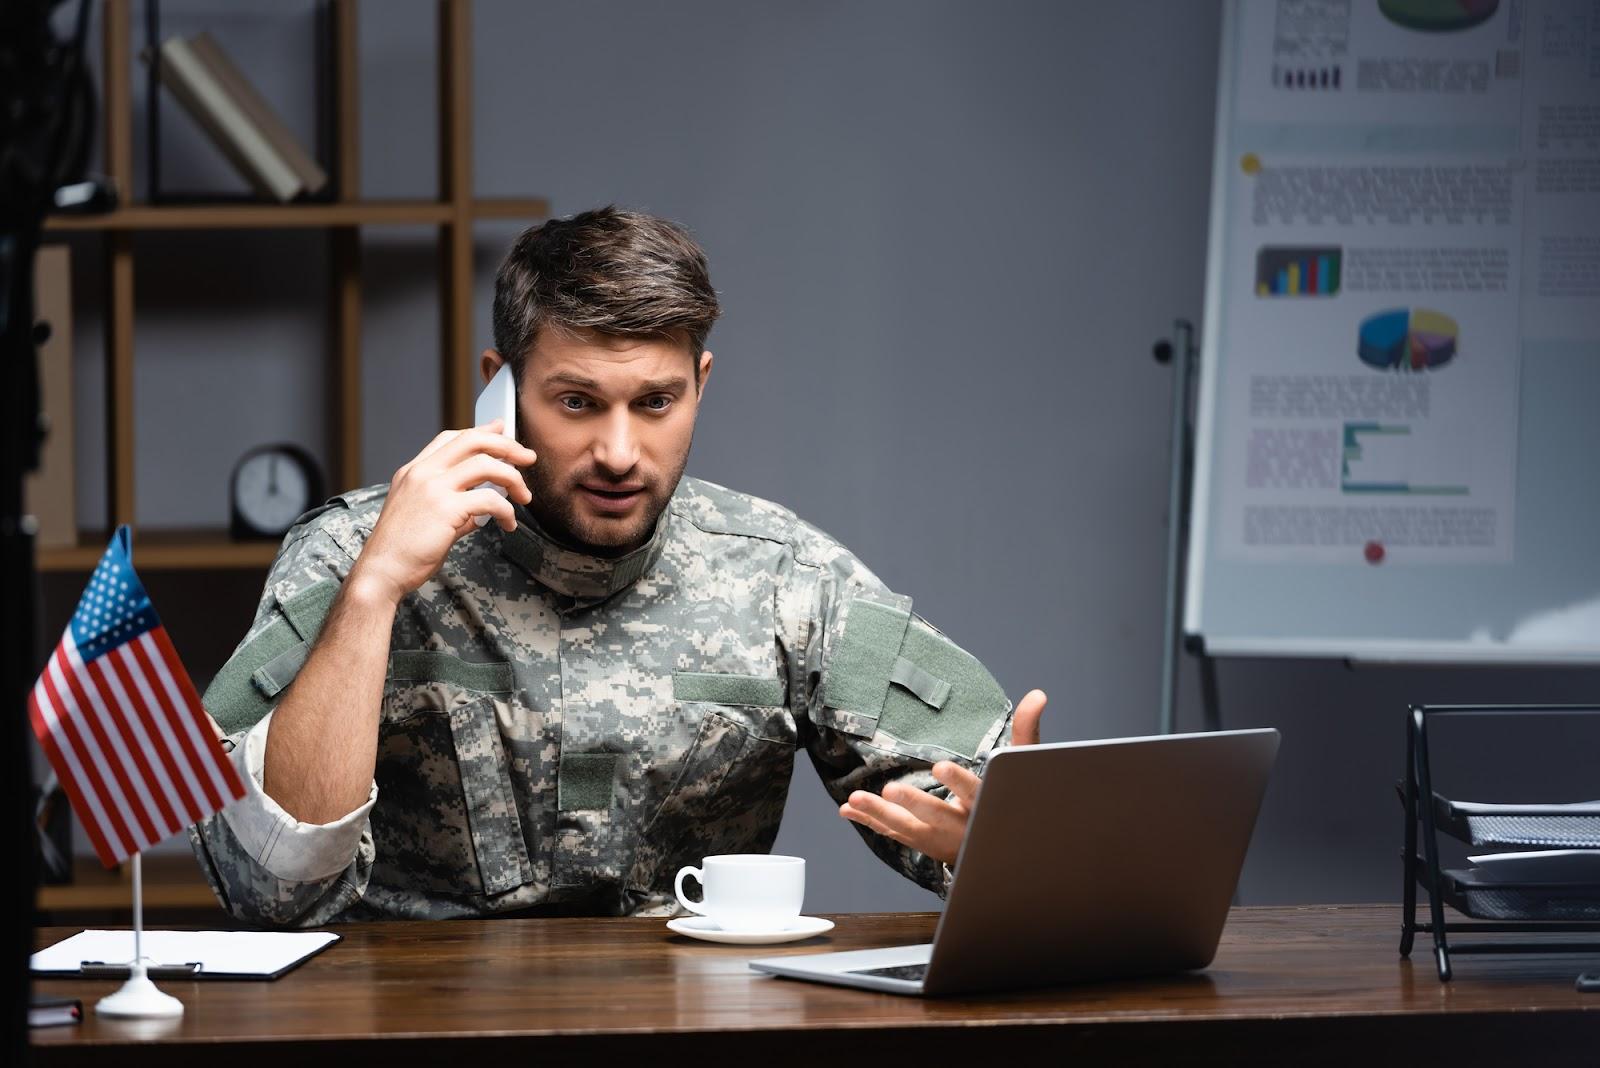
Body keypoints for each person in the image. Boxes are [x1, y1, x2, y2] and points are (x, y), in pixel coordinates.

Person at [190, 206, 1047, 925]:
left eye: (656, 402)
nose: (618, 451)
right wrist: (375, 591)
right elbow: (269, 889)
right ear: (501, 388)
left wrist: (996, 845)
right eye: (576, 402)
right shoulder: (351, 553)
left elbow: (989, 818)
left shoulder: (787, 577)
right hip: (412, 1034)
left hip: (684, 1034)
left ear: (700, 386)